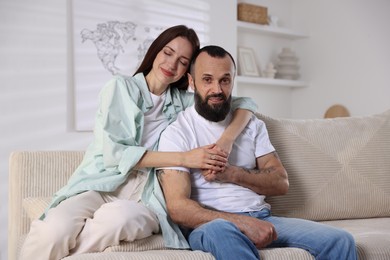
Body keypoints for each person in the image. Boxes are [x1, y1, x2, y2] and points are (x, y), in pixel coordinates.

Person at [20, 26, 258, 260]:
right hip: (100, 183)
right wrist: (185, 158)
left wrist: (227, 140)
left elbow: (246, 103)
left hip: (147, 193)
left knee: (121, 220)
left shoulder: (184, 102)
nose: (172, 64)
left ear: (188, 72)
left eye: (183, 61)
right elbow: (116, 154)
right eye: (168, 52)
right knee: (54, 230)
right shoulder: (121, 87)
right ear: (155, 51)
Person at [157, 45, 358, 260]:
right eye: (207, 79)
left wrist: (231, 173)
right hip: (212, 225)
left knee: (340, 240)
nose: (217, 89)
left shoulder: (251, 125)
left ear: (233, 81)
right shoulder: (177, 132)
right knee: (223, 234)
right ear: (191, 81)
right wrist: (242, 223)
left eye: (225, 80)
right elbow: (178, 208)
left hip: (262, 216)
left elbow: (281, 183)